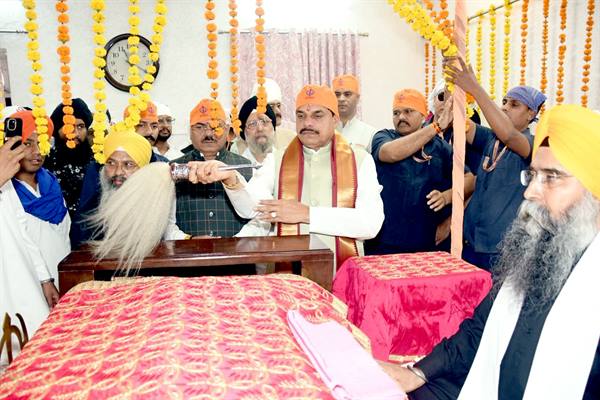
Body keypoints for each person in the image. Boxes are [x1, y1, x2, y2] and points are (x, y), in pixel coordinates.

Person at [380, 104, 600, 400]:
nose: (530, 192)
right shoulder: (538, 252)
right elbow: (479, 329)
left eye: (551, 177)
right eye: (533, 175)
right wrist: (417, 372)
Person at [185, 85, 384, 271]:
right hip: (289, 280)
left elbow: (370, 223)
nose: (307, 123)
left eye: (317, 115)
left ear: (335, 119)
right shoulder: (277, 159)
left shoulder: (360, 160)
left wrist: (308, 214)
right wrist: (231, 179)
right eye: (301, 115)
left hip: (343, 275)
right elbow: (251, 208)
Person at [445, 57, 546, 270]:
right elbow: (461, 122)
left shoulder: (532, 144)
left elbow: (509, 135)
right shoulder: (491, 138)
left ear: (531, 113)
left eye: (514, 105)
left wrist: (475, 87)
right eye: (504, 102)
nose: (505, 107)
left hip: (500, 249)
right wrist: (454, 84)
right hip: (470, 241)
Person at [365, 89, 474, 255]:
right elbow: (390, 153)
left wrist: (447, 197)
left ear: (423, 115)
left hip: (427, 242)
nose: (401, 117)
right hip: (384, 240)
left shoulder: (440, 146)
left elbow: (470, 180)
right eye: (396, 113)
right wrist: (436, 127)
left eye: (408, 111)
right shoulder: (384, 136)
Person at [1, 112, 67, 352]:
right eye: (27, 143)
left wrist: (45, 278)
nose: (36, 151)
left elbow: (21, 231)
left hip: (29, 276)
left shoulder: (10, 184)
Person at [71, 127, 187, 248]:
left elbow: (168, 231)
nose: (118, 172)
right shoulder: (92, 205)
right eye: (111, 163)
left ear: (144, 169)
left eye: (128, 164)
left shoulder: (159, 197)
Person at [172, 99, 252, 238]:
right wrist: (188, 241)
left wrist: (236, 243)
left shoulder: (246, 166)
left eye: (216, 127)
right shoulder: (174, 168)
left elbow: (257, 218)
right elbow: (166, 224)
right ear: (189, 132)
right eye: (200, 127)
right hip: (186, 251)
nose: (208, 133)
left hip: (237, 251)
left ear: (227, 131)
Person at [44, 98, 94, 216]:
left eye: (80, 126)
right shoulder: (44, 160)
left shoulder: (97, 160)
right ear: (57, 129)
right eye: (69, 126)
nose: (75, 133)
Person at [231, 78, 296, 155]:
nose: (278, 111)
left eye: (278, 105)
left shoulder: (291, 138)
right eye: (271, 106)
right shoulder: (240, 145)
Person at [332, 74, 376, 152]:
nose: (341, 99)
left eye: (347, 94)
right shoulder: (323, 131)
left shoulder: (369, 133)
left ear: (358, 98)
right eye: (337, 95)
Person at [237, 95, 277, 167]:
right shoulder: (237, 167)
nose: (260, 128)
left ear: (273, 128)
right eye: (252, 124)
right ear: (244, 133)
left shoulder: (285, 161)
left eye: (264, 121)